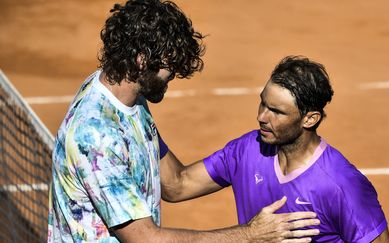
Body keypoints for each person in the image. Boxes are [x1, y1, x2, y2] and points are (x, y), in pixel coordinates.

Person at [47, 1, 321, 242]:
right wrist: (250, 235)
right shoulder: (95, 135)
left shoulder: (127, 97)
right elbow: (147, 240)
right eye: (170, 66)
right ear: (143, 61)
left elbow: (175, 183)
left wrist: (244, 158)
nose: (174, 75)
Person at [160, 56, 389, 242]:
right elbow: (177, 185)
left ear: (309, 119)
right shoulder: (247, 150)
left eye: (277, 112)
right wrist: (139, 119)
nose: (261, 116)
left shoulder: (341, 184)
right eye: (263, 102)